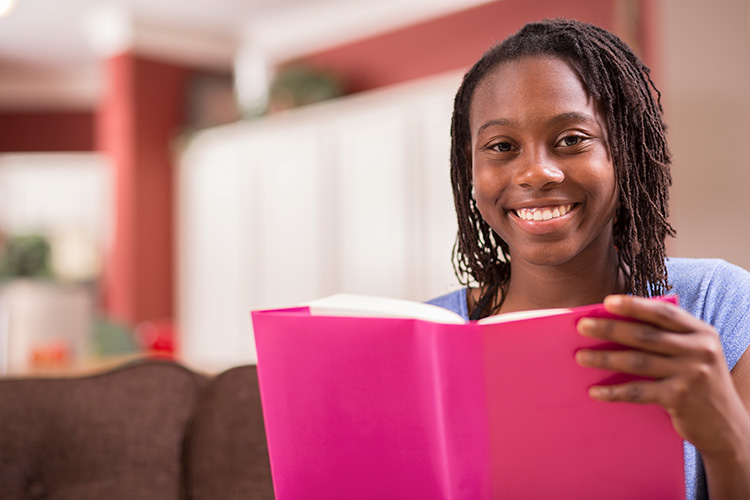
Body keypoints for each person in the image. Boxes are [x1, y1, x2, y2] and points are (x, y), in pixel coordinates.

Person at [428, 18, 750, 499]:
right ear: (468, 168)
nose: (536, 172)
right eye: (501, 147)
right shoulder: (430, 336)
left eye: (572, 139)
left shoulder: (716, 307)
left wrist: (726, 439)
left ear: (625, 152)